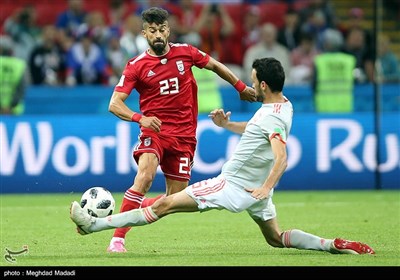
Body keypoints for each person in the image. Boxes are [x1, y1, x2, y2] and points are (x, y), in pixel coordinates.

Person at [70, 57, 375, 256]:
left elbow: (281, 156)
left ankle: (93, 226)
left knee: (164, 204)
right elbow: (259, 128)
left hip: (232, 185)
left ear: (263, 85)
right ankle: (333, 245)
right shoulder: (283, 106)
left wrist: (266, 187)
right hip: (255, 192)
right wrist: (227, 125)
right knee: (275, 237)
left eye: (254, 80)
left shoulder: (270, 118)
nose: (251, 83)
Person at [104, 7, 256, 253]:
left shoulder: (186, 52)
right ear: (144, 33)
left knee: (174, 198)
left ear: (168, 30)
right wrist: (139, 119)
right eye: (152, 30)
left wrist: (240, 87)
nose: (158, 34)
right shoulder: (136, 65)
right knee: (144, 177)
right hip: (155, 131)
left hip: (185, 136)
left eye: (162, 29)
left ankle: (127, 213)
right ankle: (117, 239)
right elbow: (114, 104)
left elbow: (216, 65)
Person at [0, 35, 27, 115]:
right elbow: (21, 88)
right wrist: (11, 105)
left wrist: (2, 106)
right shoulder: (20, 64)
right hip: (15, 111)